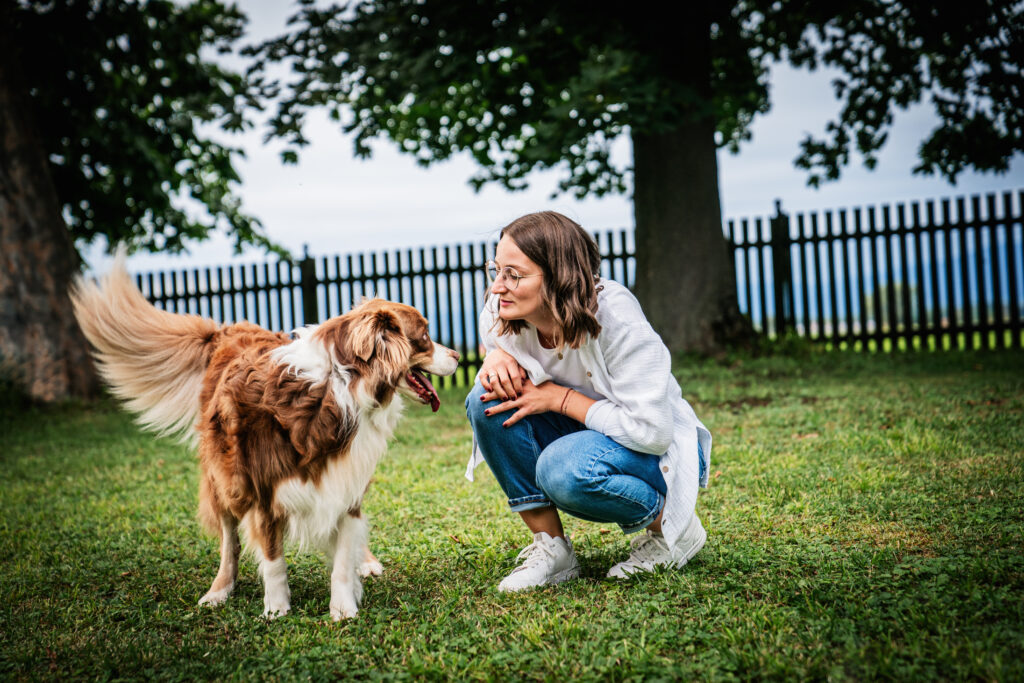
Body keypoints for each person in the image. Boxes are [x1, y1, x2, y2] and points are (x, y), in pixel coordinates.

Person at [464, 211, 711, 592]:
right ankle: (553, 549)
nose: (497, 287)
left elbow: (653, 433)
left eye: (513, 275)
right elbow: (489, 331)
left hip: (654, 451)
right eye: (496, 270)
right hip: (584, 436)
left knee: (562, 469)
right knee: (485, 401)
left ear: (558, 276)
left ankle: (670, 528)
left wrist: (560, 399)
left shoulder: (617, 319)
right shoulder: (501, 309)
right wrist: (494, 356)